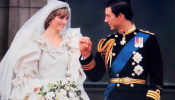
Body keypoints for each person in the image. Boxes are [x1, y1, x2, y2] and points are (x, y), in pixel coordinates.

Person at [0, 0, 89, 100]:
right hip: (42, 94)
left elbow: (74, 73)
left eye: (66, 18)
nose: (65, 22)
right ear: (50, 18)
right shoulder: (35, 42)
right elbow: (28, 77)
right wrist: (49, 91)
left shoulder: (70, 42)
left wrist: (66, 91)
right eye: (61, 18)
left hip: (67, 94)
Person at [79, 0, 163, 100]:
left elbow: (157, 80)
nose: (105, 20)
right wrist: (86, 55)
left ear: (120, 16)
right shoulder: (108, 42)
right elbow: (95, 76)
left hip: (139, 97)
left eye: (108, 16)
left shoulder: (148, 39)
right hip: (113, 96)